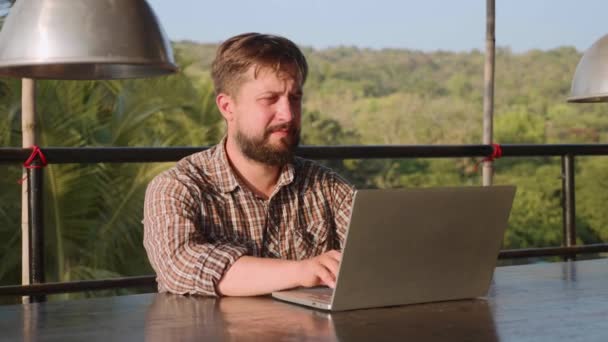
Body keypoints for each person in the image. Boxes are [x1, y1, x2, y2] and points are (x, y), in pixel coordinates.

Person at [143, 33, 355, 297]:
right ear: (227, 107)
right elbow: (181, 267)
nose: (288, 114)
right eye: (270, 99)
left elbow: (378, 257)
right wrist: (302, 271)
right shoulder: (178, 187)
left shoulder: (329, 188)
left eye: (295, 98)